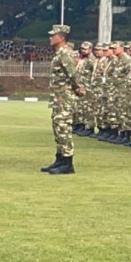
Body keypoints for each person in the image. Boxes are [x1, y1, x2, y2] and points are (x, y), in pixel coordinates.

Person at [41, 25, 85, 175]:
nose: (50, 38)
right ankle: (60, 159)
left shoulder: (65, 53)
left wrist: (79, 89)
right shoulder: (59, 53)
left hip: (64, 98)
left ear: (61, 37)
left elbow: (73, 74)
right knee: (58, 128)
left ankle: (67, 163)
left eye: (53, 35)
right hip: (58, 97)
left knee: (63, 128)